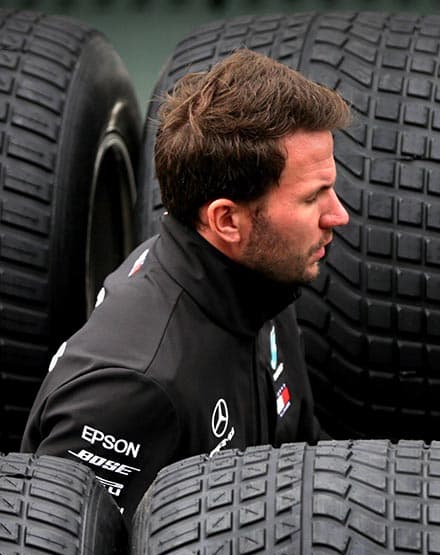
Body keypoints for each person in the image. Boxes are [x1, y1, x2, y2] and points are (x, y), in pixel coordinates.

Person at [22, 49, 352, 515]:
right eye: (313, 196)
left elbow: (302, 451)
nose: (339, 215)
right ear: (227, 221)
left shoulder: (261, 282)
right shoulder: (132, 393)